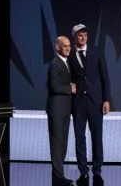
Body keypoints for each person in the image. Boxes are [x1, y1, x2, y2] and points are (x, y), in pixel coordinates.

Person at [69, 24, 110, 186]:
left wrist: (106, 99)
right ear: (74, 37)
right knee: (80, 137)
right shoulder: (70, 54)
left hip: (95, 102)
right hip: (78, 102)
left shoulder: (97, 52)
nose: (83, 37)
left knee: (97, 137)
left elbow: (105, 76)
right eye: (80, 35)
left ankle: (97, 171)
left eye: (85, 34)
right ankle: (83, 172)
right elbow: (67, 76)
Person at [47, 36, 76, 186]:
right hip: (57, 109)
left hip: (65, 109)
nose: (68, 48)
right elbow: (55, 87)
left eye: (69, 46)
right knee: (57, 143)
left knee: (62, 144)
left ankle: (58, 177)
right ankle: (59, 177)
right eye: (64, 46)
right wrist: (70, 88)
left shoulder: (66, 62)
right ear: (57, 47)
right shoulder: (55, 64)